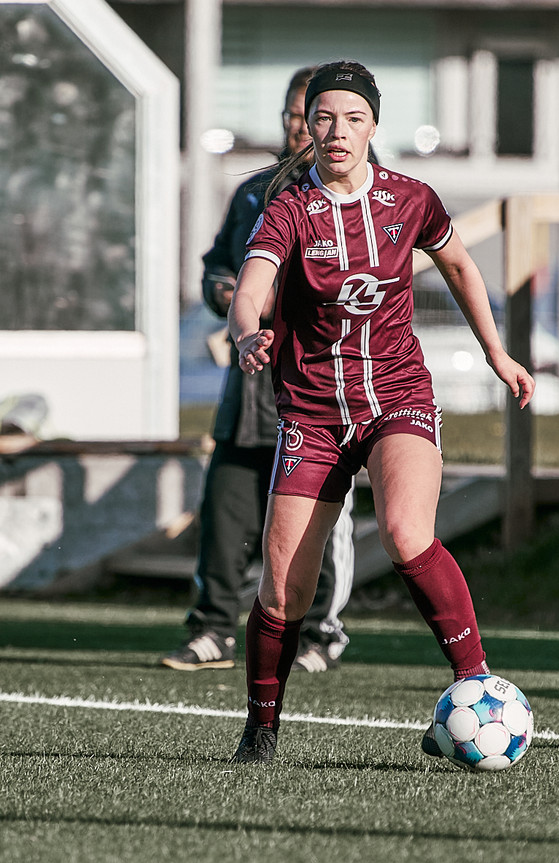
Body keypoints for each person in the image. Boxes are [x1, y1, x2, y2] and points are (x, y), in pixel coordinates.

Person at [228, 60, 535, 764]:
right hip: (312, 413)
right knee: (282, 590)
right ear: (308, 127)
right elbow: (252, 286)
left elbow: (460, 266)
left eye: (353, 118)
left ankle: (474, 680)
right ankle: (261, 728)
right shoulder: (289, 209)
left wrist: (497, 353)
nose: (337, 131)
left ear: (373, 126)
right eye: (323, 118)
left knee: (404, 530)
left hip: (397, 397)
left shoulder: (411, 200)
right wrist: (248, 333)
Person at [161, 67, 355, 674]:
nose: (300, 128)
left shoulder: (355, 195)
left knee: (317, 516)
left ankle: (319, 633)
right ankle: (213, 629)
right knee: (224, 509)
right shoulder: (253, 193)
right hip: (247, 386)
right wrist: (228, 293)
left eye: (311, 117)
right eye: (293, 117)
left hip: (317, 388)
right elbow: (219, 267)